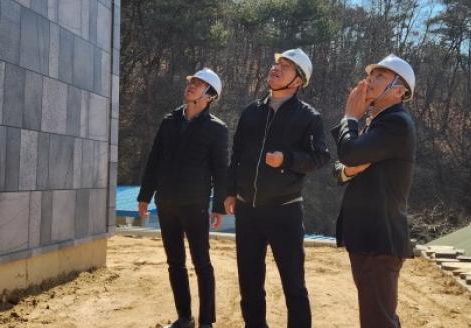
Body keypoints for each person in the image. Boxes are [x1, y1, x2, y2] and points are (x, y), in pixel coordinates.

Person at [223, 49, 330, 328]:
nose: (276, 68)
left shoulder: (309, 117)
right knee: (249, 282)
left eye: (286, 66)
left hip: (285, 211)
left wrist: (287, 160)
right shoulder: (251, 112)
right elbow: (236, 154)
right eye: (277, 63)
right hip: (248, 210)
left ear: (298, 81)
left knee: (293, 285)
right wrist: (230, 191)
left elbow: (321, 157)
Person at [137, 68, 229, 328]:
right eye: (192, 81)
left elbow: (221, 170)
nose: (191, 85)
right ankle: (185, 318)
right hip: (166, 202)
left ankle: (206, 322)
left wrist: (218, 206)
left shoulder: (216, 129)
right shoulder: (169, 121)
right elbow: (154, 160)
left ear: (209, 95)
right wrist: (145, 195)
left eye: (198, 84)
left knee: (202, 263)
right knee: (175, 262)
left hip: (195, 204)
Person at [331, 54, 417, 328]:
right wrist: (348, 170)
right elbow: (343, 165)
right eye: (371, 74)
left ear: (399, 91)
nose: (370, 80)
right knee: (379, 317)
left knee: (377, 320)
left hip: (379, 239)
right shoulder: (378, 122)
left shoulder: (396, 123)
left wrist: (349, 117)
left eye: (380, 76)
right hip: (371, 238)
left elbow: (349, 152)